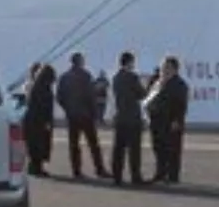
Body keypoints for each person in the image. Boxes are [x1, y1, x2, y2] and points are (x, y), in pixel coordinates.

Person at [56, 53, 108, 178]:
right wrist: (95, 114)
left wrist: (67, 108)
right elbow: (91, 96)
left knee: (74, 144)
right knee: (93, 144)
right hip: (86, 114)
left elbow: (59, 97)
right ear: (80, 62)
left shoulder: (64, 77)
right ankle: (99, 169)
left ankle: (76, 170)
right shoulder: (86, 76)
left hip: (72, 115)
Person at [145, 56, 190, 183]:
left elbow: (182, 105)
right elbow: (148, 97)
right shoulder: (156, 82)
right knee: (158, 148)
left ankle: (172, 176)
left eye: (167, 67)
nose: (164, 70)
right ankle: (160, 173)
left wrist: (177, 120)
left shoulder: (180, 84)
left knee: (173, 150)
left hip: (171, 122)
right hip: (156, 121)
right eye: (163, 67)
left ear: (175, 69)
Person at [109, 51, 148, 186]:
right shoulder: (132, 77)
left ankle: (117, 176)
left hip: (121, 116)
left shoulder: (116, 77)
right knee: (134, 149)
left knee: (118, 149)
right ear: (130, 62)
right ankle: (135, 176)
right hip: (133, 117)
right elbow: (142, 94)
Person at [22, 63, 56, 176]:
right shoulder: (43, 89)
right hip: (39, 121)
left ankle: (34, 167)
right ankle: (36, 168)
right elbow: (44, 107)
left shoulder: (34, 86)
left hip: (32, 120)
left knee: (34, 145)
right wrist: (47, 122)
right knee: (39, 144)